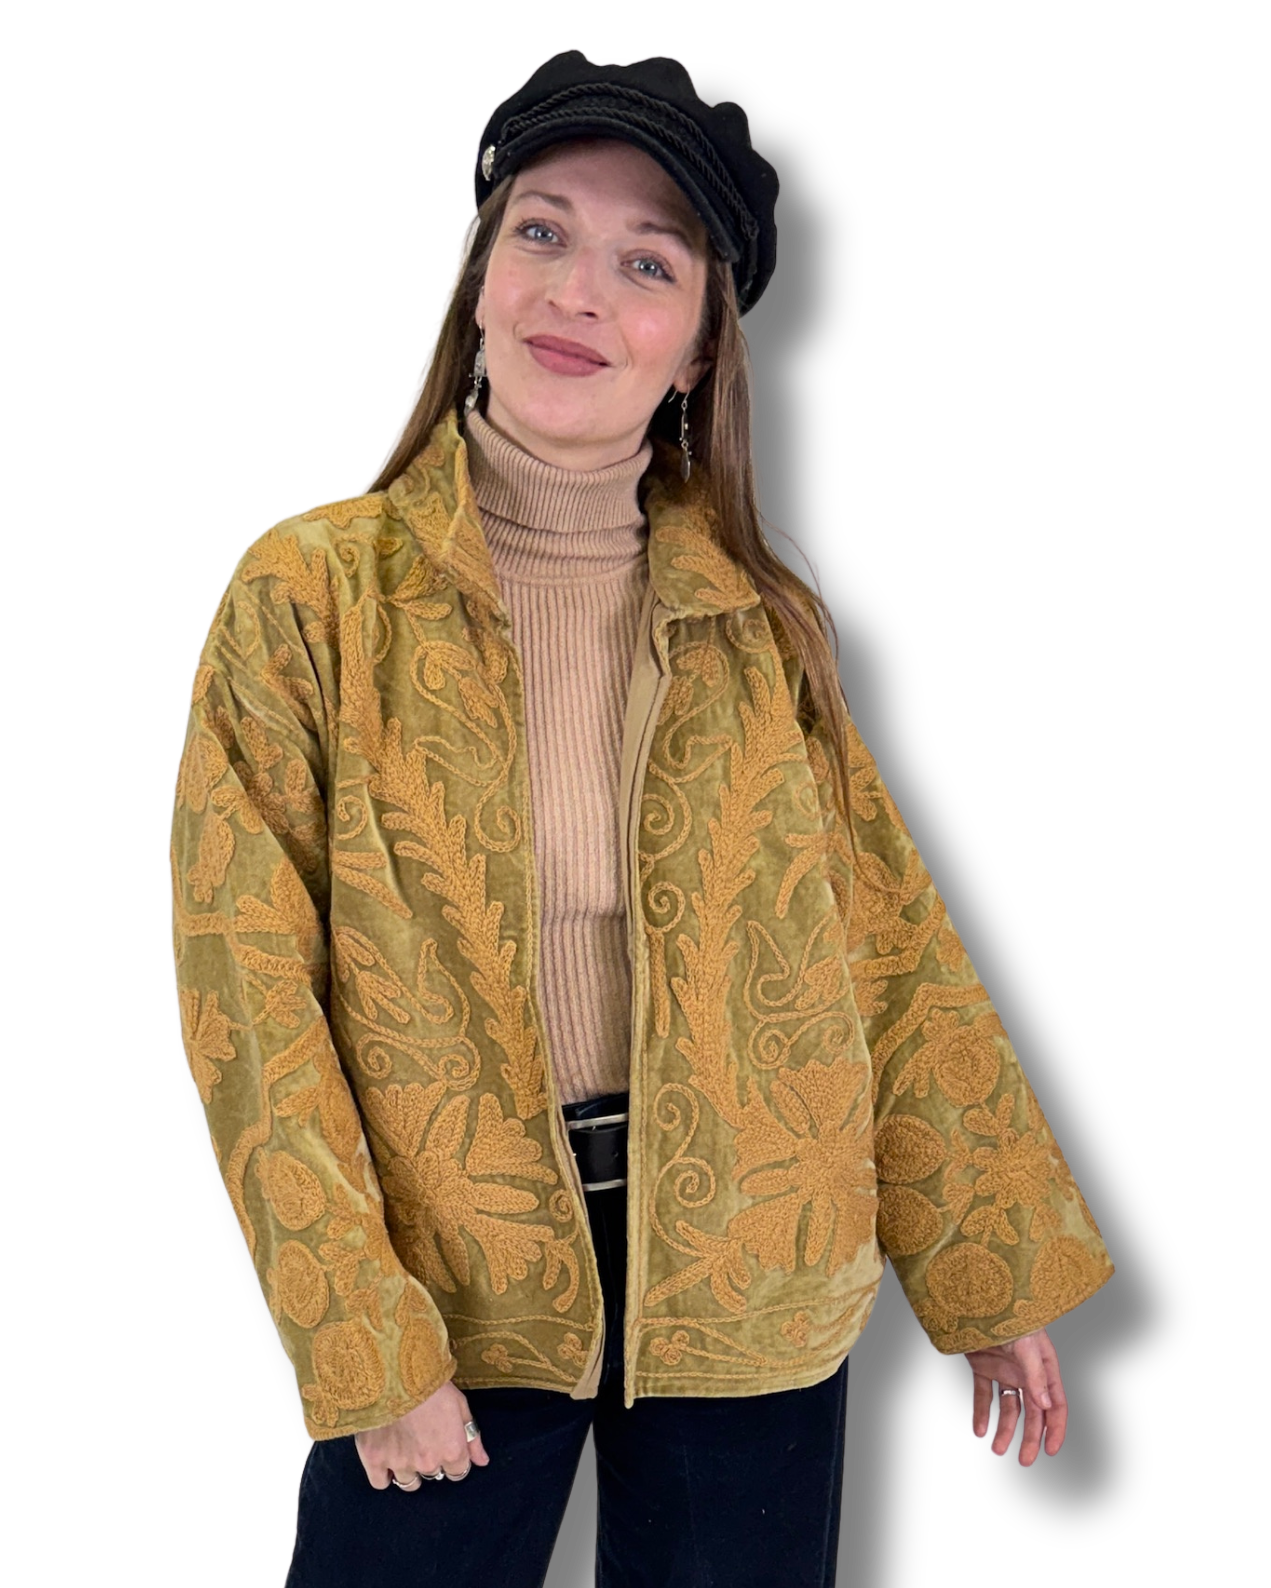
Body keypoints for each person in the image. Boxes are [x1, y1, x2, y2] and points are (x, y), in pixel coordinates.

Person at [169, 50, 1115, 1588]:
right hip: (453, 1291)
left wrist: (988, 1272)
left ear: (697, 350)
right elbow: (248, 996)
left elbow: (885, 951)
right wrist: (361, 1338)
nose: (578, 293)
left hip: (754, 1279)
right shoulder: (311, 596)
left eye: (647, 262)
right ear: (473, 279)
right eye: (541, 231)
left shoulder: (758, 613)